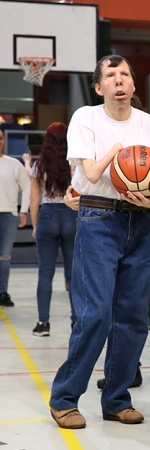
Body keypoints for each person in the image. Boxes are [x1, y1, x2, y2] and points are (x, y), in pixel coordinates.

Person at [48, 55, 150, 430]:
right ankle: (64, 398)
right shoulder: (86, 118)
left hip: (142, 221)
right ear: (99, 86)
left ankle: (117, 399)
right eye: (110, 75)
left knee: (134, 317)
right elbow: (90, 172)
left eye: (125, 74)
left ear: (133, 85)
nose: (119, 80)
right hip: (98, 218)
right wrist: (121, 154)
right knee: (96, 314)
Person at [28, 122, 77, 336]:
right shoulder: (74, 163)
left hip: (48, 214)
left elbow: (34, 198)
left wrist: (36, 225)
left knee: (45, 274)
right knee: (73, 274)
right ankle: (76, 321)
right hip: (70, 214)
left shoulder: (39, 165)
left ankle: (43, 323)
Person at [0, 131, 30, 308]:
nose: (0, 141)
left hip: (8, 215)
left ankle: (3, 292)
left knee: (4, 256)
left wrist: (23, 210)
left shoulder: (13, 164)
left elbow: (27, 187)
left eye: (1, 138)